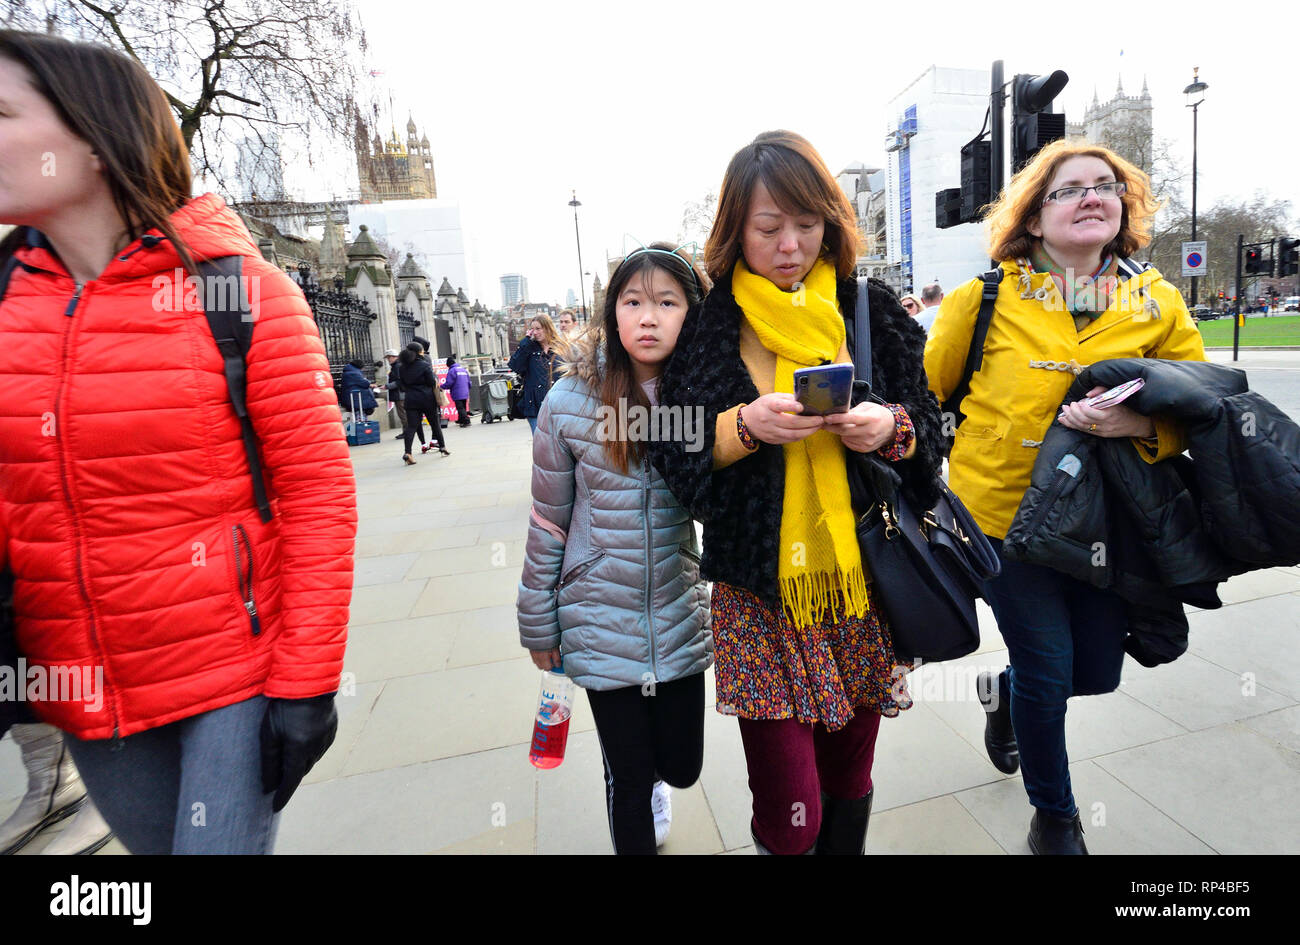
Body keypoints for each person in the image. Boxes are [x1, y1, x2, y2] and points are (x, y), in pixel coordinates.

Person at [0, 30, 354, 854]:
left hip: (231, 668)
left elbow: (317, 495)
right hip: (82, 672)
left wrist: (307, 683)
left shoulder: (239, 292)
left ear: (92, 137)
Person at [650, 131, 943, 855]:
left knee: (850, 777)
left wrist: (890, 426)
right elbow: (673, 446)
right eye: (768, 227)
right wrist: (744, 427)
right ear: (736, 231)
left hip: (862, 586)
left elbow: (932, 430)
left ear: (831, 224)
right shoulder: (713, 324)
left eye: (806, 224)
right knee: (791, 808)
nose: (790, 245)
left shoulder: (870, 308)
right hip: (758, 595)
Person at [924, 139, 1206, 855]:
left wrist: (1139, 422)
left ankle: (1003, 694)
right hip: (1006, 523)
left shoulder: (1159, 301)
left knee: (1092, 672)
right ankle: (1056, 817)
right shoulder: (982, 299)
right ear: (1033, 217)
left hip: (1110, 521)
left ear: (1123, 205)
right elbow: (925, 400)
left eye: (1104, 185)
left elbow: (1201, 406)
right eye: (1068, 188)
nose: (1090, 196)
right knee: (1050, 669)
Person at [518, 243, 712, 855]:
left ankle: (662, 781)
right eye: (633, 302)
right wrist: (537, 621)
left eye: (666, 302)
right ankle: (636, 783)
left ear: (692, 312)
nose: (647, 317)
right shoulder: (568, 402)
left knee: (682, 766)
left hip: (679, 610)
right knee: (627, 777)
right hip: (597, 616)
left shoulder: (706, 396)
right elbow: (548, 523)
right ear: (613, 311)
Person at [508, 314, 566, 433]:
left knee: (560, 446)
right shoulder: (528, 347)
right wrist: (525, 341)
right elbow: (515, 366)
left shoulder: (560, 347)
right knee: (541, 446)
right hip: (535, 405)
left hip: (558, 404)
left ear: (548, 328)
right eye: (532, 329)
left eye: (538, 329)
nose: (535, 332)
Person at [396, 341, 449, 463]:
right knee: (435, 424)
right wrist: (434, 376)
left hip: (410, 400)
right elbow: (431, 382)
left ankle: (407, 453)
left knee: (411, 427)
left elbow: (402, 386)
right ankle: (442, 447)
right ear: (419, 353)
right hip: (427, 399)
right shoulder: (424, 365)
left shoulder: (401, 367)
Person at [382, 347, 411, 441]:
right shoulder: (397, 366)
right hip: (400, 393)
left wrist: (387, 386)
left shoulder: (397, 366)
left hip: (400, 394)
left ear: (394, 357)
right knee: (403, 414)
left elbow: (399, 381)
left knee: (403, 415)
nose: (388, 360)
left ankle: (407, 432)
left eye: (389, 357)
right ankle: (407, 431)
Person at [441, 354, 472, 428]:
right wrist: (468, 389)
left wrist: (441, 387)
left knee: (460, 408)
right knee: (463, 407)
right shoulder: (463, 369)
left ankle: (466, 421)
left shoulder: (452, 371)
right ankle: (460, 419)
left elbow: (449, 383)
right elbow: (469, 382)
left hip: (458, 393)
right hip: (465, 392)